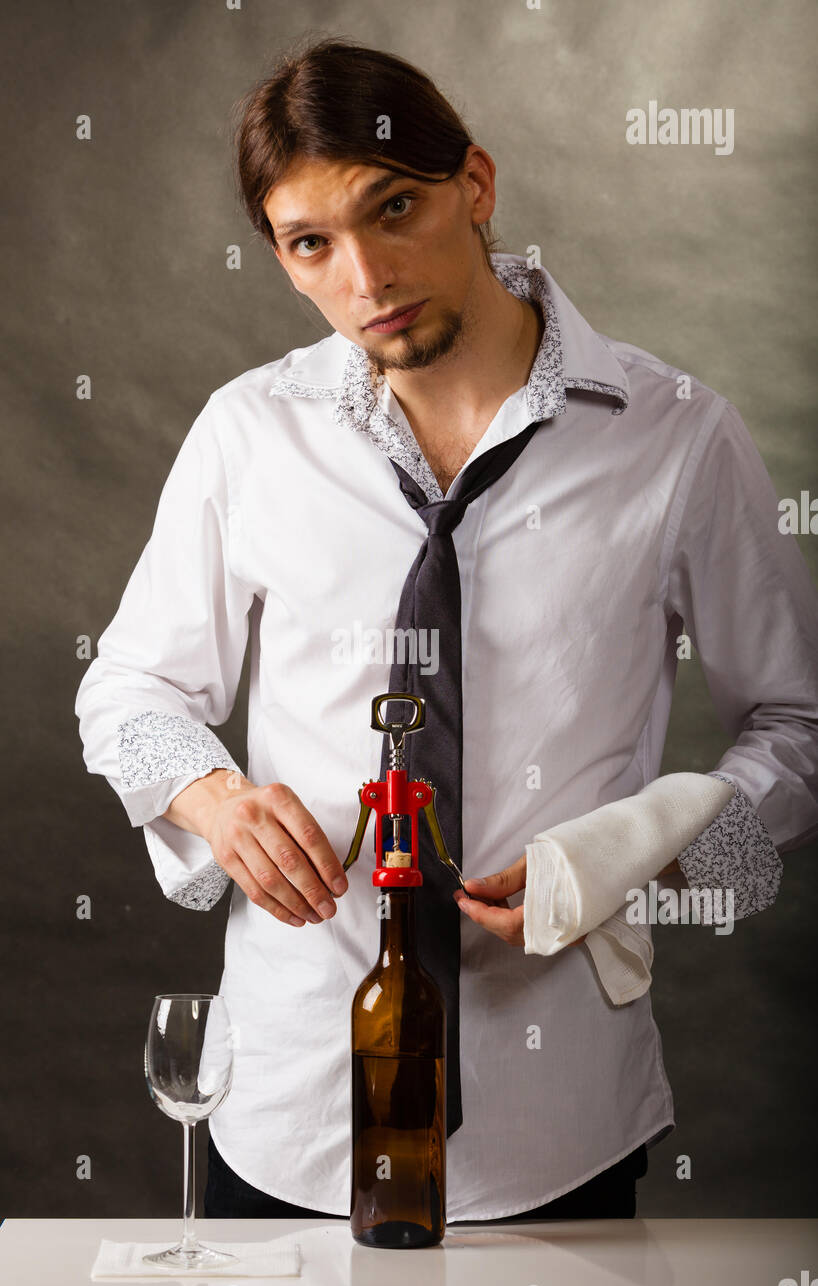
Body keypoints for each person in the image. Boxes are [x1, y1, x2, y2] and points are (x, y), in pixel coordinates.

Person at [75, 38, 818, 1224]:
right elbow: (125, 693)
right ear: (279, 256)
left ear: (473, 184)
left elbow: (798, 732)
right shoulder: (246, 434)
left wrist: (650, 844)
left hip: (558, 1120)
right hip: (289, 1113)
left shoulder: (677, 437)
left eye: (395, 208)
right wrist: (211, 801)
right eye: (310, 243)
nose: (364, 276)